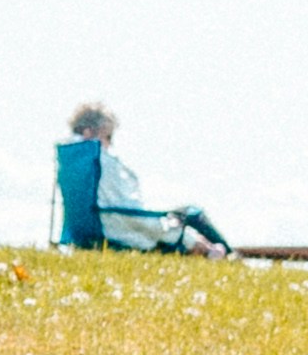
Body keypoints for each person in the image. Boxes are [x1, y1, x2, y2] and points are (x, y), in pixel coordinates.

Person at [53, 100, 227, 255]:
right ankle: (227, 255)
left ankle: (221, 252)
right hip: (117, 234)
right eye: (108, 136)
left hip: (88, 234)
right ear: (88, 132)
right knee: (192, 213)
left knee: (183, 215)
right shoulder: (100, 161)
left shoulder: (70, 159)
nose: (111, 143)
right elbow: (129, 214)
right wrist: (184, 235)